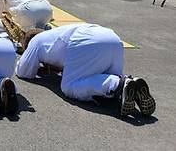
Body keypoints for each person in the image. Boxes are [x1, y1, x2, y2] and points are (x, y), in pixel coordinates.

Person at [16, 23, 156, 117]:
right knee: (103, 75)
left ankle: (116, 84)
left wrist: (28, 62)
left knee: (69, 86)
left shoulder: (36, 40)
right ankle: (130, 84)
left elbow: (23, 71)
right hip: (112, 38)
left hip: (84, 41)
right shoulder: (54, 35)